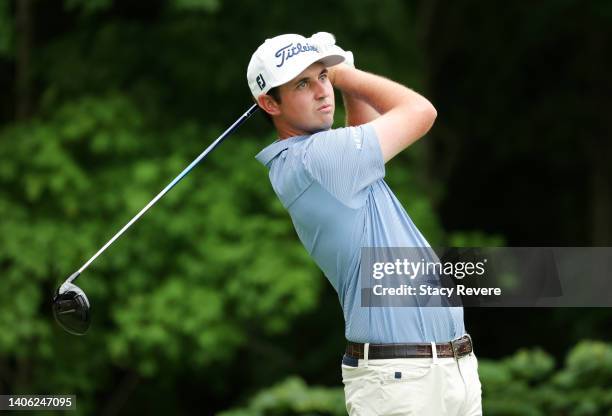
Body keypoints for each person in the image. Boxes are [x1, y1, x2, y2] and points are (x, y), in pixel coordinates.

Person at [248, 32, 482, 416]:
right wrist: (345, 74)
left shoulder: (323, 160)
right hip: (401, 379)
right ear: (269, 103)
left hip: (444, 369)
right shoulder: (316, 160)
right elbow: (421, 112)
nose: (322, 91)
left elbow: (361, 130)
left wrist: (338, 78)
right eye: (303, 84)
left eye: (322, 77)